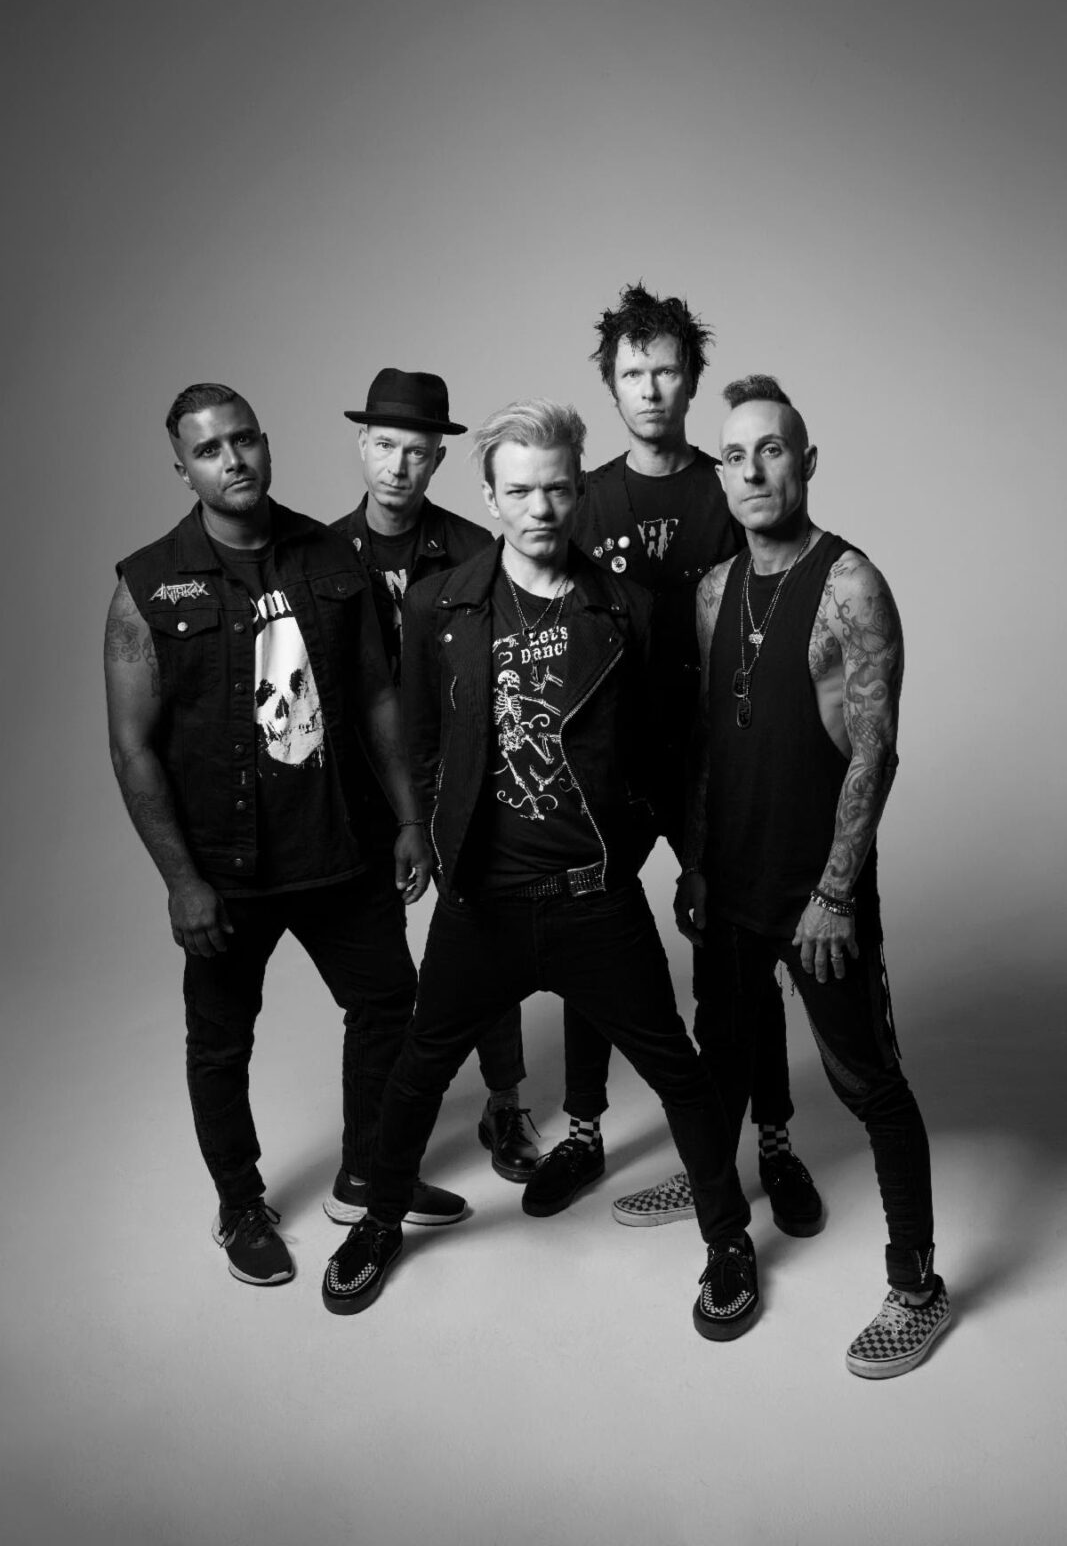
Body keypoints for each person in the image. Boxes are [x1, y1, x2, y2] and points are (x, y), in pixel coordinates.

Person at [321, 399, 759, 1342]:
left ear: (577, 492)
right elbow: (423, 738)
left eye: (556, 489)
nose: (540, 509)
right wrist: (432, 835)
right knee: (418, 1071)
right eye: (518, 492)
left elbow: (666, 751)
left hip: (592, 897)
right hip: (482, 900)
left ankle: (728, 1241)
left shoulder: (626, 608)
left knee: (678, 1072)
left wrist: (681, 859)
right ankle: (379, 1222)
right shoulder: (441, 604)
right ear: (489, 497)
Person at [104, 382, 465, 1289]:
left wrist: (410, 819)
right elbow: (132, 747)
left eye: (243, 441)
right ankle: (240, 1204)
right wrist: (181, 880)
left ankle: (365, 1174)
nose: (232, 461)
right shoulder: (148, 585)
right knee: (221, 1042)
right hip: (226, 869)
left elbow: (377, 695)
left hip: (340, 845)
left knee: (388, 1005)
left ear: (266, 443)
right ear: (182, 469)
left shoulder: (331, 557)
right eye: (208, 450)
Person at [523, 282, 822, 1238]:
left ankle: (773, 1142)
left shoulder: (728, 483)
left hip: (712, 764)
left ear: (691, 380)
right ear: (610, 386)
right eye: (632, 373)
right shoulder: (583, 496)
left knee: (737, 962)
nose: (649, 389)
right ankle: (583, 1129)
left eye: (665, 371)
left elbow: (779, 600)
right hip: (607, 767)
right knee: (590, 951)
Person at [676, 373, 951, 1377]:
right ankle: (715, 1188)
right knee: (721, 1053)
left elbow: (873, 750)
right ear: (719, 474)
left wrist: (835, 892)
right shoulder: (712, 592)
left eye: (772, 450)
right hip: (730, 885)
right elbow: (712, 748)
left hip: (813, 897)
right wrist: (697, 864)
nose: (752, 471)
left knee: (865, 1080)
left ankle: (915, 1286)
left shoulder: (849, 585)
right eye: (733, 455)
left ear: (805, 462)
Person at [329, 367, 538, 1188]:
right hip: (358, 788)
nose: (398, 467)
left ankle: (505, 1103)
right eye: (385, 446)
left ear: (439, 460)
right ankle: (384, 1138)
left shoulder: (474, 551)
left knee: (483, 937)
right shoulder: (322, 555)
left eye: (417, 452)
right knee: (379, 972)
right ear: (362, 445)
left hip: (457, 777)